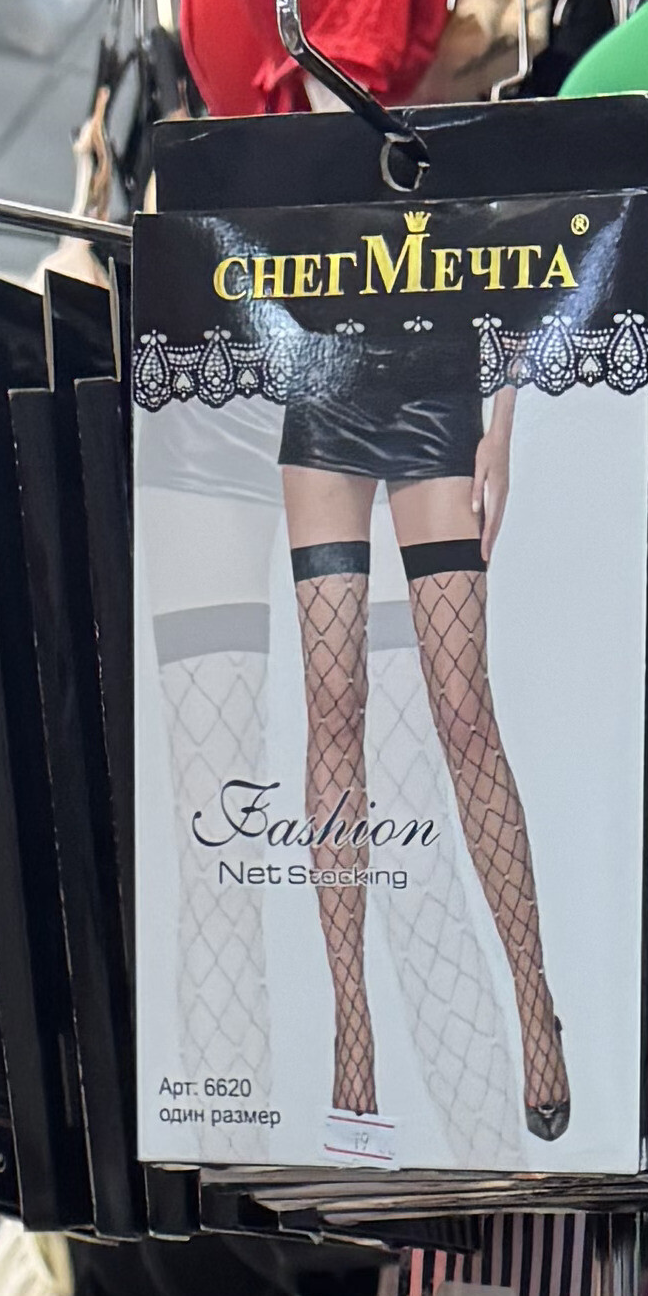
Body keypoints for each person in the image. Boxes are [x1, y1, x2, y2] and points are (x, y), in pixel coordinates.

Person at [262, 300, 570, 1145]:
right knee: (332, 700)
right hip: (323, 382)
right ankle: (351, 1022)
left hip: (440, 383)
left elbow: (523, 255)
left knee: (463, 709)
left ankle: (534, 1002)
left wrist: (502, 427)